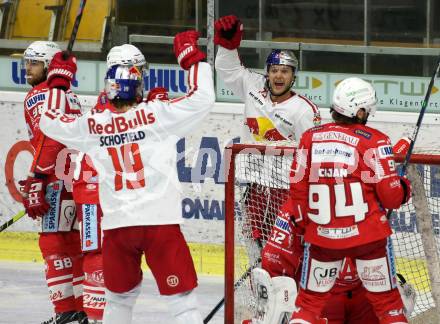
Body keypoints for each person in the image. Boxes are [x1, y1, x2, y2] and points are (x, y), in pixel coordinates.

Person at [39, 30, 215, 324]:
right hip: (160, 224)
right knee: (182, 303)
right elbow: (203, 97)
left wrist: (58, 82)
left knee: (118, 302)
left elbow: (51, 121)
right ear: (138, 87)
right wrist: (192, 60)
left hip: (119, 228)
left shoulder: (94, 125)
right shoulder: (158, 114)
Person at [287, 77, 412, 324]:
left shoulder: (309, 138)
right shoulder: (376, 140)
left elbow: (297, 189)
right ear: (360, 110)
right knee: (388, 306)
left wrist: (306, 227)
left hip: (323, 238)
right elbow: (392, 198)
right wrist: (405, 187)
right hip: (368, 240)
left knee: (309, 304)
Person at [214, 15, 321, 247]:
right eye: (274, 70)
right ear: (267, 73)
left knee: (284, 243)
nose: (279, 76)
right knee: (253, 240)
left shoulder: (303, 110)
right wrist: (227, 45)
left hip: (285, 187)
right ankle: (258, 281)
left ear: (293, 77)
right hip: (254, 183)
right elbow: (228, 69)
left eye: (285, 71)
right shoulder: (253, 88)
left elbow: (313, 153)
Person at [20, 41, 87, 324]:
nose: (27, 69)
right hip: (77, 177)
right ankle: (83, 308)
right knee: (73, 242)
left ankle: (66, 310)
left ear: (49, 66)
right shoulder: (70, 96)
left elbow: (49, 138)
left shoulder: (38, 95)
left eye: (34, 63)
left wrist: (37, 176)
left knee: (52, 243)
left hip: (55, 177)